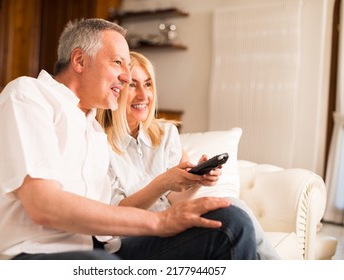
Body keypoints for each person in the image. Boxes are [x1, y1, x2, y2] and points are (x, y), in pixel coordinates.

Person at [0, 18, 257, 260]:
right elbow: (43, 205)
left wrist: (178, 200)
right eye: (118, 62)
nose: (127, 77)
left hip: (98, 252)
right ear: (79, 60)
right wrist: (161, 221)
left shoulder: (92, 132)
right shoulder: (28, 96)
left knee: (231, 223)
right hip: (25, 256)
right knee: (100, 262)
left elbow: (112, 218)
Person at [97, 51, 280, 260]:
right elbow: (116, 214)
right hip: (130, 240)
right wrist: (163, 183)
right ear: (116, 89)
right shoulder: (99, 143)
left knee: (232, 205)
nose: (143, 95)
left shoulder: (164, 135)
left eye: (148, 84)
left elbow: (176, 199)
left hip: (171, 226)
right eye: (132, 85)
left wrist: (196, 180)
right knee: (231, 218)